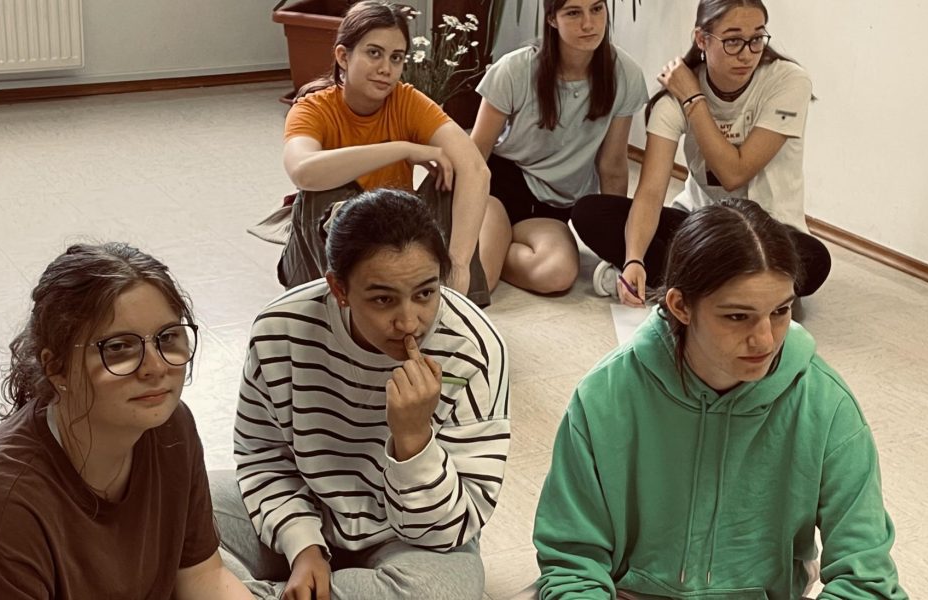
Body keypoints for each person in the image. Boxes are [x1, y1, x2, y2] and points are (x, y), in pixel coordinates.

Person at [531, 199, 906, 600]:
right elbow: (573, 563)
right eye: (737, 316)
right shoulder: (605, 396)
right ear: (681, 306)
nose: (765, 340)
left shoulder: (826, 405)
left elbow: (867, 579)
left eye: (780, 311)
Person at [0, 243, 251, 599]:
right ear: (56, 367)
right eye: (118, 348)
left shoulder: (169, 426)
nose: (156, 367)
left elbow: (202, 575)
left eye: (167, 338)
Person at [219, 189, 509, 600]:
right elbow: (262, 458)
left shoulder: (472, 348)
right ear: (339, 289)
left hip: (410, 538)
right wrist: (303, 546)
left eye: (426, 293)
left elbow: (452, 525)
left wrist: (413, 440)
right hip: (304, 509)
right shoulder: (280, 330)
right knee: (171, 512)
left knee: (441, 592)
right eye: (383, 299)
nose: (409, 322)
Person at [570, 0, 831, 308]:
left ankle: (684, 284)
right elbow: (651, 191)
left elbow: (734, 174)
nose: (747, 54)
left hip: (769, 231)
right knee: (589, 212)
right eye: (732, 41)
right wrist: (634, 259)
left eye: (757, 39)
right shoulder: (673, 98)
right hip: (699, 227)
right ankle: (734, 289)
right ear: (702, 39)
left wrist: (694, 99)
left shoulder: (788, 81)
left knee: (814, 260)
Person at [277, 0, 492, 306]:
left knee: (454, 172)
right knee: (322, 189)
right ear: (343, 56)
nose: (386, 69)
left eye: (396, 57)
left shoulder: (407, 101)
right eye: (374, 53)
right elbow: (303, 171)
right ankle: (345, 309)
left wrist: (457, 264)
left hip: (392, 242)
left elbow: (476, 169)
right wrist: (402, 149)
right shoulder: (312, 108)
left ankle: (454, 304)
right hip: (319, 258)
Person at [471, 0, 648, 295]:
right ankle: (487, 247)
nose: (589, 24)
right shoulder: (515, 69)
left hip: (552, 204)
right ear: (552, 19)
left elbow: (613, 165)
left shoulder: (625, 74)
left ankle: (496, 245)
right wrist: (465, 208)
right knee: (481, 280)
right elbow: (476, 152)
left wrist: (617, 247)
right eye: (573, 13)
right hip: (500, 187)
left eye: (597, 9)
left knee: (558, 275)